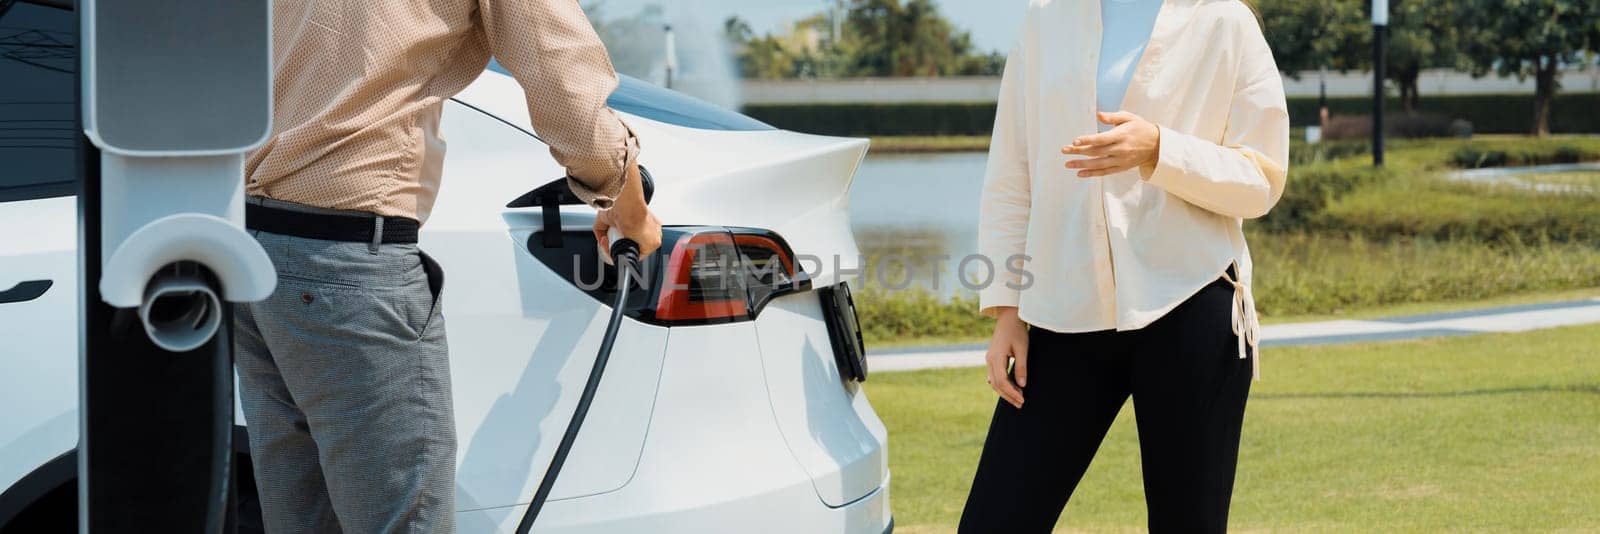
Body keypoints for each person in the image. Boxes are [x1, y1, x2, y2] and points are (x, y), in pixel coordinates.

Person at [233, 1, 662, 532]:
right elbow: (564, 88)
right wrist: (626, 196)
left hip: (254, 250)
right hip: (346, 264)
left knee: (302, 521)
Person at [959, 0, 1288, 532]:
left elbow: (1262, 180)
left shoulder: (1224, 20)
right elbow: (1011, 173)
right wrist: (1007, 308)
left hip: (1191, 302)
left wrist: (1160, 148)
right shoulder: (1047, 17)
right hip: (1063, 310)